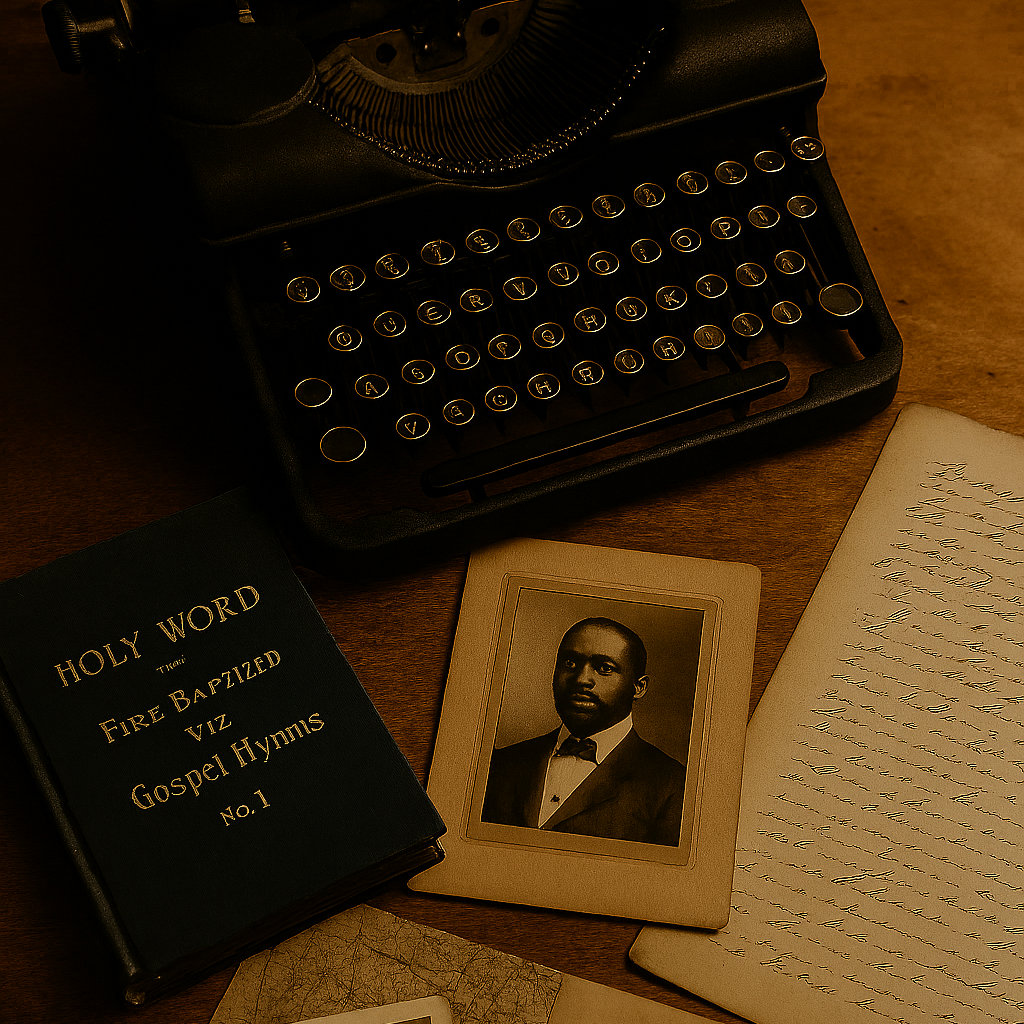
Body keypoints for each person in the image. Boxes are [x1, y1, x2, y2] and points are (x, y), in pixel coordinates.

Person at [481, 617, 686, 846]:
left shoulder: (673, 785)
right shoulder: (499, 764)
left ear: (638, 687)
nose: (581, 679)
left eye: (604, 668)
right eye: (570, 663)